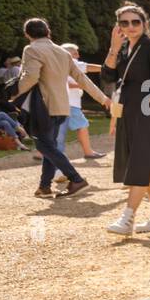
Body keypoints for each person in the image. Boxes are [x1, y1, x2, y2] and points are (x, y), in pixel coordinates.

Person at [16, 17, 110, 197]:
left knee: (45, 147)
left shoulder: (31, 49)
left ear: (27, 34)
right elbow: (83, 79)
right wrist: (102, 98)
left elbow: (30, 78)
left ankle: (76, 179)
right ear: (48, 31)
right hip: (63, 107)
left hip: (43, 107)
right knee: (50, 146)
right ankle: (44, 187)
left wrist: (12, 95)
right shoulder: (62, 52)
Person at [103, 3, 150, 235]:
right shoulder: (123, 49)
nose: (131, 26)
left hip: (149, 112)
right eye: (124, 22)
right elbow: (108, 76)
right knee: (147, 166)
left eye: (135, 22)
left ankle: (127, 218)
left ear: (144, 24)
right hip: (129, 111)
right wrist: (114, 48)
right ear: (118, 26)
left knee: (142, 164)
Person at [57, 43, 106, 163]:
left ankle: (41, 152)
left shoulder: (58, 64)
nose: (78, 55)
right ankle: (88, 152)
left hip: (62, 102)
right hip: (70, 103)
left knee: (56, 129)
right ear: (68, 54)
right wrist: (108, 68)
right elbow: (88, 67)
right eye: (75, 53)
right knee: (82, 125)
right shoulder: (70, 62)